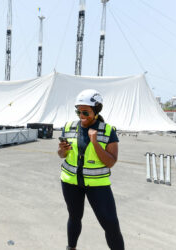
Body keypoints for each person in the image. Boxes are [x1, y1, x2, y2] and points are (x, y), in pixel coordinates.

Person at [57, 89, 124, 250]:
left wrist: (95, 143)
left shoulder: (108, 131)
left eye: (85, 112)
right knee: (74, 217)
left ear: (96, 110)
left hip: (97, 185)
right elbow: (61, 155)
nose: (81, 115)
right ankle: (71, 247)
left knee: (110, 224)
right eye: (78, 111)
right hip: (70, 182)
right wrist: (63, 150)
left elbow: (111, 162)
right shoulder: (69, 127)